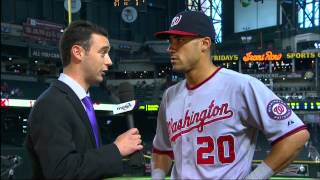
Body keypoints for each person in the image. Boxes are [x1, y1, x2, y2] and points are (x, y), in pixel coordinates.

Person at [151, 11, 310, 180]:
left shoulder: (241, 86)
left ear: (205, 43)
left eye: (179, 40)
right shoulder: (170, 95)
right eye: (170, 41)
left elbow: (296, 136)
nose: (170, 48)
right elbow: (162, 149)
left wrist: (254, 178)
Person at [25, 20, 143, 179]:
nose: (109, 61)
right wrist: (115, 150)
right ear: (78, 52)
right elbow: (61, 172)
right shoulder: (51, 104)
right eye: (103, 52)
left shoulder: (80, 102)